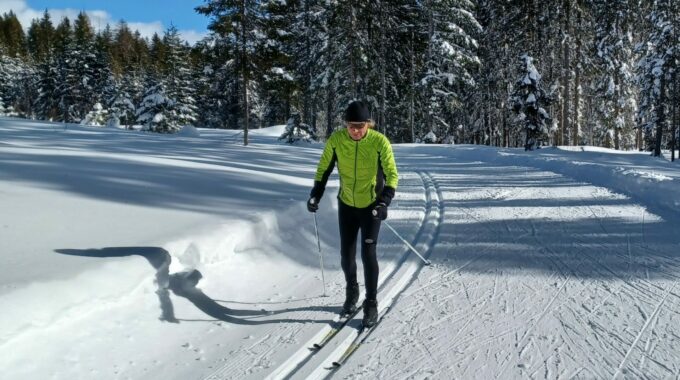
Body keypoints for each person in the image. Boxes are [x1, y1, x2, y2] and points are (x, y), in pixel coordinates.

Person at [306, 100, 398, 328]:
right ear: (345, 125)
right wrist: (316, 194)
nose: (355, 131)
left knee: (368, 254)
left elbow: (392, 175)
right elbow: (324, 169)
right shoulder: (337, 140)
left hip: (371, 206)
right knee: (346, 255)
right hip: (347, 203)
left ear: (369, 124)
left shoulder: (379, 142)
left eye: (360, 126)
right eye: (351, 126)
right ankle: (352, 292)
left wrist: (384, 202)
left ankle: (371, 303)